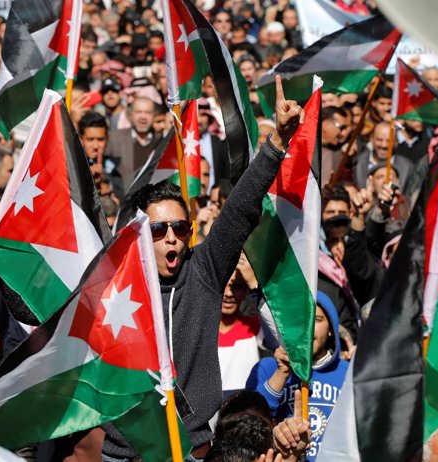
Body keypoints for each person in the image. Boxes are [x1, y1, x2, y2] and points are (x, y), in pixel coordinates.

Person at [100, 76, 302, 461]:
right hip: (122, 454)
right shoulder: (110, 284)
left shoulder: (203, 271)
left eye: (181, 228)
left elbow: (239, 211)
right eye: (159, 230)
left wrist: (276, 143)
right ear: (139, 235)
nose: (173, 238)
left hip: (190, 451)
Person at [247, 291, 348, 460]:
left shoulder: (348, 372)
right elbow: (247, 425)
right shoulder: (266, 369)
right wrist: (281, 374)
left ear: (331, 329)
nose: (307, 327)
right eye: (300, 319)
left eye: (317, 320)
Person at [219, 269, 263, 398]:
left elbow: (275, 343)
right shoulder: (198, 331)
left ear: (245, 292)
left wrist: (254, 285)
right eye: (222, 285)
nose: (228, 293)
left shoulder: (254, 326)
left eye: (236, 287)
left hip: (244, 413)